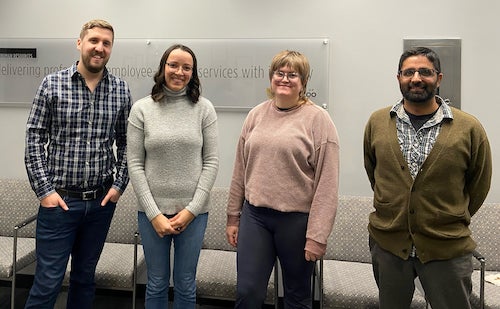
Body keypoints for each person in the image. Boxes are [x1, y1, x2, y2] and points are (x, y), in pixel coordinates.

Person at [363, 46, 492, 308]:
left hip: (446, 248)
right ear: (399, 77)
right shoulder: (377, 122)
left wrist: (448, 215)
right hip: (389, 247)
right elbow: (375, 174)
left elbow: (479, 183)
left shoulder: (468, 127)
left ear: (439, 78)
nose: (417, 78)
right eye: (408, 72)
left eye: (425, 72)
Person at [24, 19, 132, 308]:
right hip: (60, 202)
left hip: (100, 204)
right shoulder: (52, 84)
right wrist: (45, 191)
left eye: (106, 43)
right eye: (94, 40)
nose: (99, 48)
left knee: (85, 278)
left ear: (111, 49)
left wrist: (119, 185)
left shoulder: (121, 90)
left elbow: (127, 143)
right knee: (47, 281)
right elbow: (34, 138)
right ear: (80, 43)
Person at [226, 50, 340, 308]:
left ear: (304, 82)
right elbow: (240, 170)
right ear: (271, 77)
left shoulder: (318, 120)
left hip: (297, 222)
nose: (285, 79)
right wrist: (233, 216)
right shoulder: (256, 114)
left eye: (293, 74)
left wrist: (317, 236)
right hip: (255, 217)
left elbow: (327, 184)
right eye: (280, 73)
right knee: (247, 292)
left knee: (297, 297)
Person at [127, 44, 219, 308]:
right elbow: (134, 162)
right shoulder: (142, 109)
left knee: (186, 282)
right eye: (173, 65)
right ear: (163, 68)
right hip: (151, 212)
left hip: (194, 213)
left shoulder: (204, 109)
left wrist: (192, 210)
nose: (179, 72)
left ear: (193, 72)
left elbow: (211, 162)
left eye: (186, 67)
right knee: (155, 282)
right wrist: (154, 213)